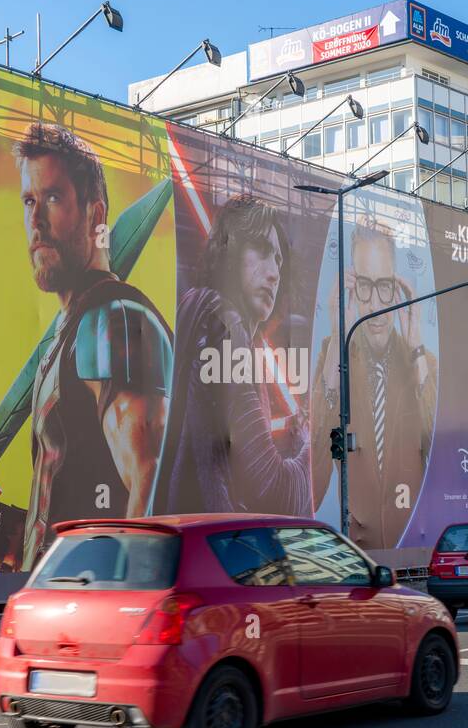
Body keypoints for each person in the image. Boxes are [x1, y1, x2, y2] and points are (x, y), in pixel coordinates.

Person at [0, 123, 173, 570]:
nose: (36, 220)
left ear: (96, 214)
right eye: (29, 200)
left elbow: (149, 478)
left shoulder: (112, 320)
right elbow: (63, 512)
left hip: (97, 607)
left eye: (53, 198)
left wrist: (124, 603)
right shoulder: (73, 330)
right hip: (63, 605)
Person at [155, 196, 311, 515]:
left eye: (279, 262)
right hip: (213, 540)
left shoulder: (199, 310)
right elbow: (272, 491)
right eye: (263, 252)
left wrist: (289, 440)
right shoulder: (224, 321)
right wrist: (309, 445)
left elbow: (232, 460)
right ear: (231, 249)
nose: (273, 274)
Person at [311, 220, 436, 549]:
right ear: (352, 288)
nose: (376, 305)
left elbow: (438, 449)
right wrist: (338, 333)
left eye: (385, 286)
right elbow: (314, 470)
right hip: (355, 550)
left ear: (398, 289)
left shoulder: (423, 364)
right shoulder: (334, 359)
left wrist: (417, 349)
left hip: (413, 543)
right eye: (364, 285)